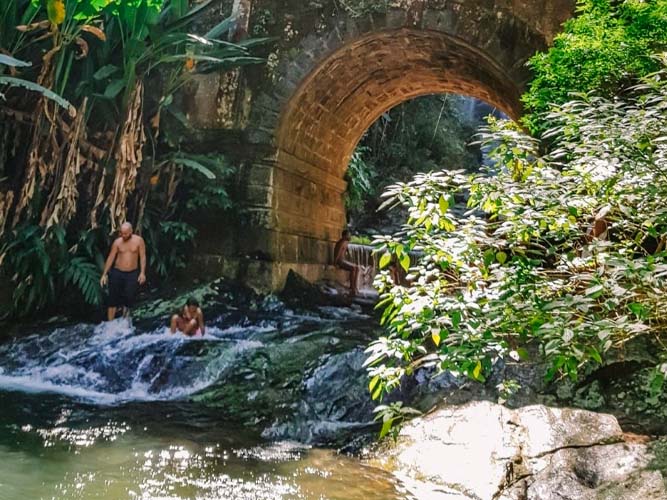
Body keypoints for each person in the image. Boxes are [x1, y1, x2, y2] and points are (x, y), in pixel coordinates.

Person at [100, 222, 147, 321]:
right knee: (112, 298)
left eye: (126, 233)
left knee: (129, 297)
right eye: (122, 233)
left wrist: (142, 273)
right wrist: (104, 274)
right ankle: (110, 323)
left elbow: (142, 257)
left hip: (132, 273)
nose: (123, 235)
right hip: (117, 272)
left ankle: (125, 322)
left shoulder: (139, 241)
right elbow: (111, 258)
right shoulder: (117, 242)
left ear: (131, 231)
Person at [333, 229, 359, 295]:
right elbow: (337, 253)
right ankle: (352, 287)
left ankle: (355, 286)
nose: (350, 236)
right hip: (340, 261)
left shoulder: (345, 242)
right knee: (353, 268)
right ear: (344, 236)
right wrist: (335, 263)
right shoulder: (341, 242)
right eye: (348, 235)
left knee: (357, 267)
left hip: (343, 260)